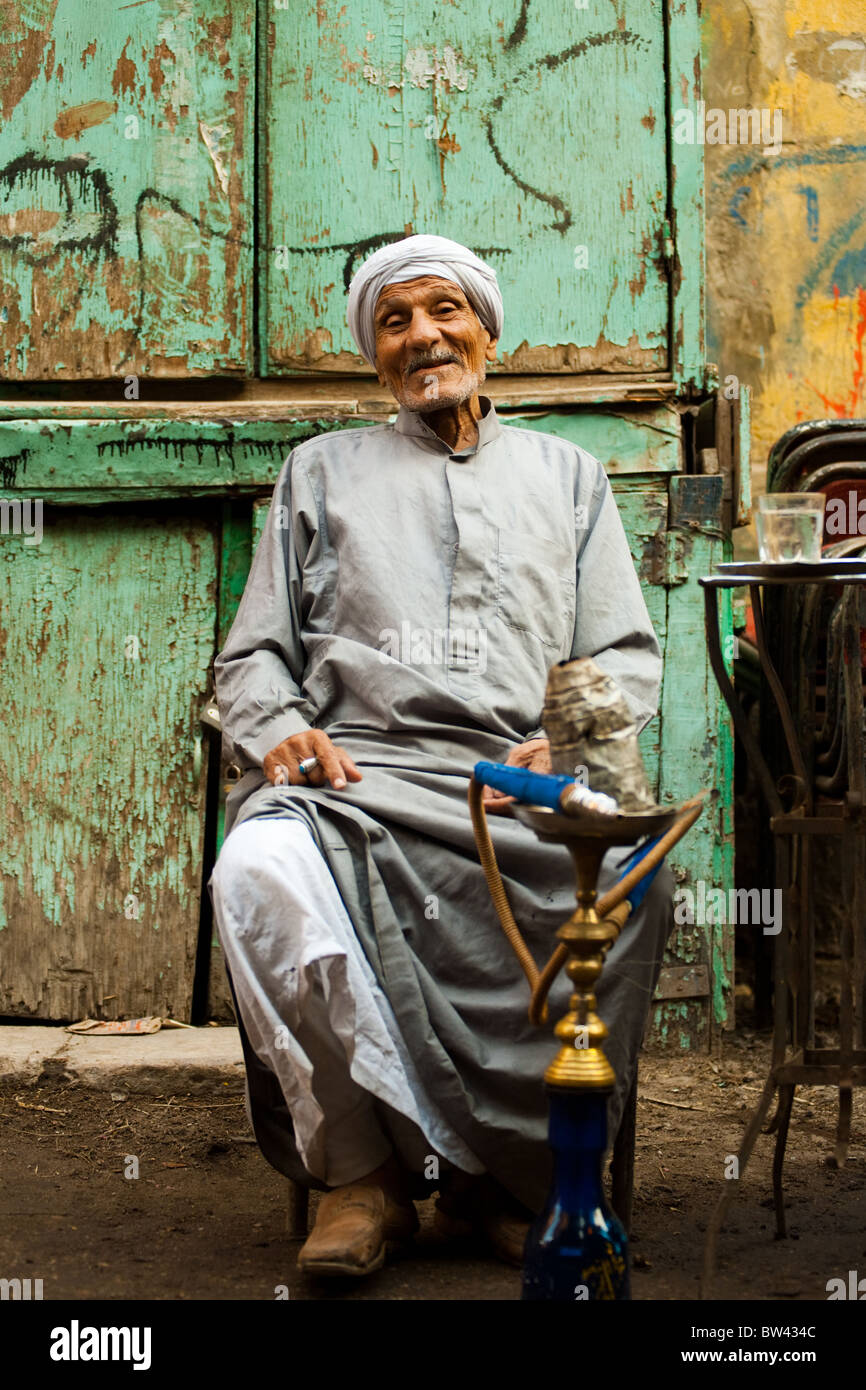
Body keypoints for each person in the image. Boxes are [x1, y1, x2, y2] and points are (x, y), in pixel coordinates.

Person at [209, 234, 674, 1279]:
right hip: (356, 783)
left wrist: (572, 735)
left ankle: (499, 1183)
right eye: (393, 319)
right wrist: (280, 725)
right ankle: (360, 1176)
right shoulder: (317, 471)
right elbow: (252, 656)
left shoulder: (570, 477)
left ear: (486, 331)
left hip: (518, 788)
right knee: (254, 872)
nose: (422, 335)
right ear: (373, 353)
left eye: (443, 310)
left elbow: (621, 655)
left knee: (634, 883)